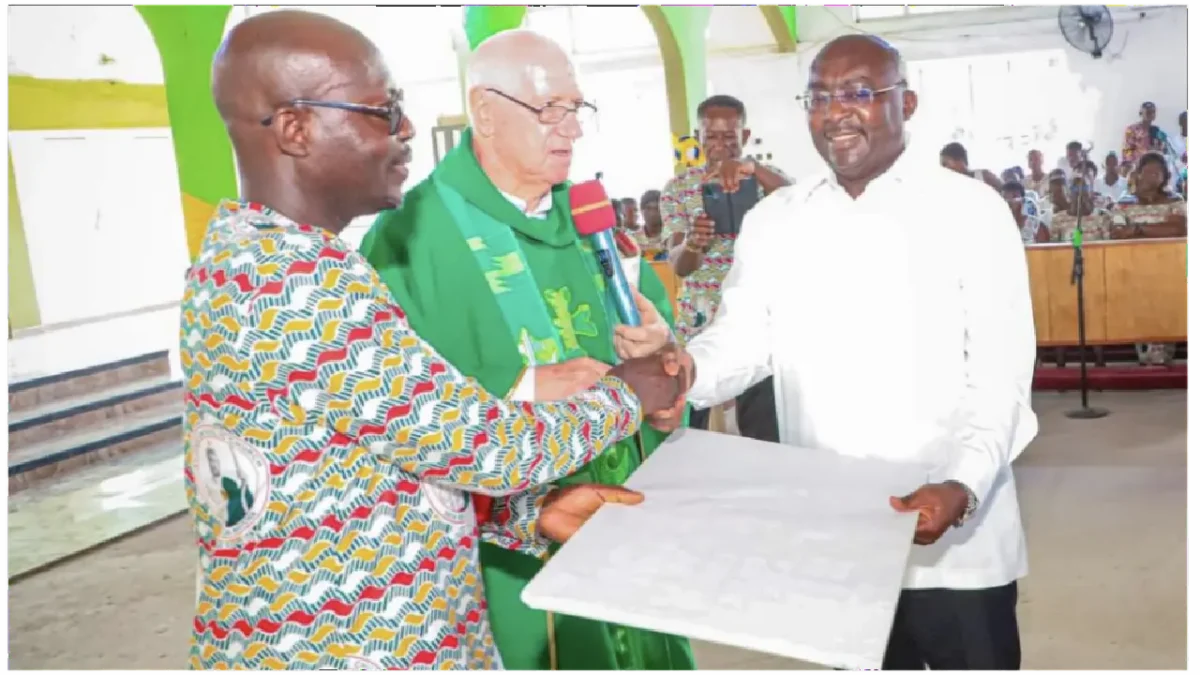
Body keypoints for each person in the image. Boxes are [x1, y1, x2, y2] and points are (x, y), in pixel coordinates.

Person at [188, 11, 685, 671]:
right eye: (381, 110)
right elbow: (486, 444)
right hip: (345, 647)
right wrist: (628, 391)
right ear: (296, 128)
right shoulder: (298, 284)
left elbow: (370, 458)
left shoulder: (251, 256)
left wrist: (526, 513)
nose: (407, 130)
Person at [667, 34, 1036, 672]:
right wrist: (686, 370)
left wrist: (963, 484)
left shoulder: (970, 211)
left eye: (858, 93)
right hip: (841, 538)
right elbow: (746, 336)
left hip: (956, 544)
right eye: (818, 97)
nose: (836, 111)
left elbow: (1001, 375)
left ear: (907, 103)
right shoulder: (778, 220)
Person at [359, 29, 695, 673]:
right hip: (512, 536)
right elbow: (387, 402)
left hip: (629, 509)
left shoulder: (593, 218)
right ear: (484, 111)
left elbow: (665, 361)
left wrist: (664, 364)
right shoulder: (410, 235)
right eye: (550, 110)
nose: (571, 130)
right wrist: (516, 382)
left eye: (577, 109)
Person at [661, 94, 790, 442]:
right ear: (698, 137)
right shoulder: (678, 189)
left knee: (763, 422)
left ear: (744, 136)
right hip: (700, 317)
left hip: (760, 319)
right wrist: (694, 244)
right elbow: (679, 265)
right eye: (712, 137)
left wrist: (753, 169)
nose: (720, 146)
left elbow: (800, 204)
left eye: (730, 137)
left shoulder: (766, 179)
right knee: (692, 420)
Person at [1110, 152, 1187, 366]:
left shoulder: (1175, 200)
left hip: (1168, 269)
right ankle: (1146, 354)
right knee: (1141, 313)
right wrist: (1156, 229)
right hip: (1134, 270)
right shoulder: (1122, 204)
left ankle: (1162, 355)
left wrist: (1137, 229)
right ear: (1138, 173)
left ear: (1165, 177)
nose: (1154, 175)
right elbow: (1117, 230)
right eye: (1149, 170)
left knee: (1165, 311)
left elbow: (1178, 228)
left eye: (1159, 172)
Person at [1122, 101, 1167, 166]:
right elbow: (1127, 150)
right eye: (1148, 112)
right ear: (1141, 113)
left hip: (1153, 164)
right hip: (1137, 165)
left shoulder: (1156, 130)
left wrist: (1159, 149)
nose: (1151, 114)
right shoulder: (1131, 129)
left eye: (1153, 112)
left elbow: (1161, 150)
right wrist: (1132, 163)